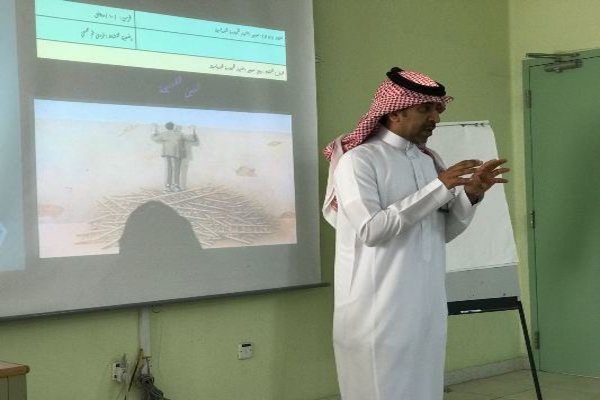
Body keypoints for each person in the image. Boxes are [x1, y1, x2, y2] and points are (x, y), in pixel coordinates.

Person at [322, 67, 509, 400]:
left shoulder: (428, 162)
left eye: (438, 109)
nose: (435, 118)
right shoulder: (359, 161)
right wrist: (438, 188)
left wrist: (471, 195)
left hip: (426, 306)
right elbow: (372, 230)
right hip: (377, 309)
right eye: (426, 109)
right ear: (394, 112)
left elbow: (441, 232)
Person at [151, 122, 198, 191]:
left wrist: (154, 130)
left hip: (168, 154)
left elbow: (155, 138)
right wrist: (193, 130)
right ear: (174, 127)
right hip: (177, 154)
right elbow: (193, 139)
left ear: (166, 127)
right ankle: (176, 186)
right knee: (177, 170)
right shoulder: (180, 134)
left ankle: (168, 186)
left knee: (169, 169)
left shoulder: (164, 134)